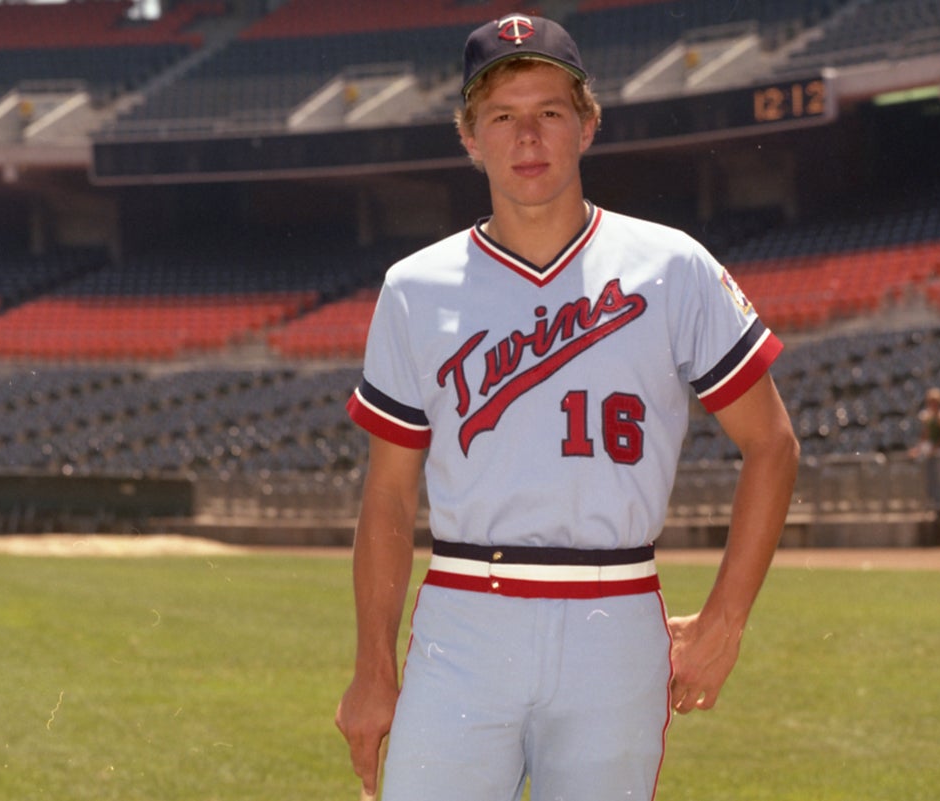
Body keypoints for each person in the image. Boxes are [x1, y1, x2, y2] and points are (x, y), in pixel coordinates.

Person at [334, 14, 799, 801]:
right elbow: (387, 492)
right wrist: (374, 670)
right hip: (464, 613)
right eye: (502, 117)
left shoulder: (671, 265)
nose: (527, 137)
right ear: (469, 138)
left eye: (549, 111)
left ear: (587, 124)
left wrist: (725, 620)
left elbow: (773, 443)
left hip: (613, 618)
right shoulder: (415, 286)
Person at [912, 387, 940, 515]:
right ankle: (932, 503)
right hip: (930, 451)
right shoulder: (926, 417)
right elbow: (925, 436)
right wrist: (919, 448)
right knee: (930, 477)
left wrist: (935, 447)